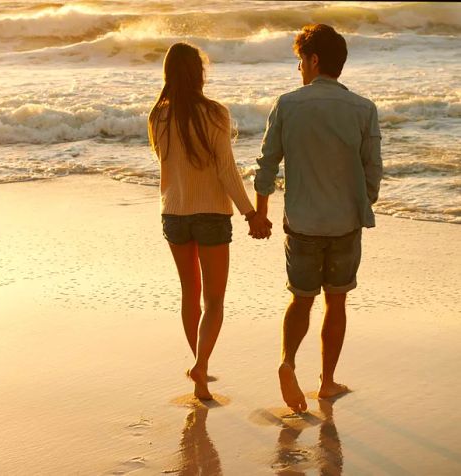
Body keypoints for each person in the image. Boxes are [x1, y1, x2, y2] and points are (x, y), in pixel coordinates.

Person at [253, 24, 383, 412]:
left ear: (313, 60)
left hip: (302, 223)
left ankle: (288, 363)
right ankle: (326, 383)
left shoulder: (287, 105)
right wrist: (363, 204)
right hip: (344, 222)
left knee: (301, 300)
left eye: (300, 62)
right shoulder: (364, 108)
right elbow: (372, 169)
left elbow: (266, 167)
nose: (299, 70)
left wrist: (260, 215)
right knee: (336, 302)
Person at [148, 42, 272, 400]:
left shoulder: (158, 116)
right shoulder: (216, 113)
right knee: (214, 301)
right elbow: (225, 170)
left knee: (191, 293)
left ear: (169, 74)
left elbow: (167, 169)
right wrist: (250, 213)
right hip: (212, 215)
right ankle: (201, 365)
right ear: (199, 72)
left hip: (173, 213)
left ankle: (199, 371)